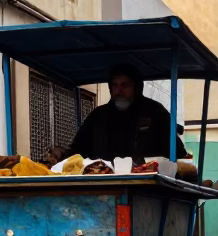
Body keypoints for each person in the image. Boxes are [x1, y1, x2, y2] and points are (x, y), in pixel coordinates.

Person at [57, 63, 188, 163]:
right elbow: (78, 151)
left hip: (146, 186)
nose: (119, 90)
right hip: (104, 184)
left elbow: (177, 153)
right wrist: (62, 154)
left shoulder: (155, 112)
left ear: (136, 88)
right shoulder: (98, 116)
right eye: (115, 86)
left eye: (125, 85)